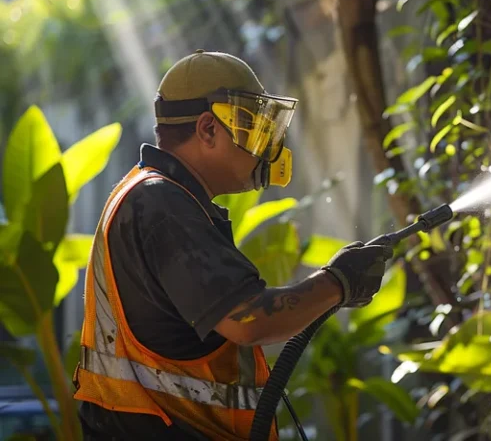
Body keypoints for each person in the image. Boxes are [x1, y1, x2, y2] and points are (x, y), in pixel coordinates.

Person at [72, 50, 393, 440]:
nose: (263, 144)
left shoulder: (154, 197)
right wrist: (339, 281)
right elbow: (249, 320)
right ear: (207, 129)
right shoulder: (162, 204)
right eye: (250, 125)